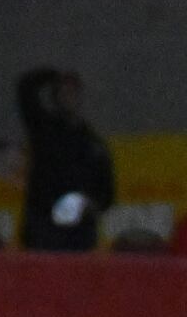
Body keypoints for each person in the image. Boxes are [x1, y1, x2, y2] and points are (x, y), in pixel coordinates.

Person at [15, 66, 115, 253]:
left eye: (73, 91)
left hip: (79, 234)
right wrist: (52, 74)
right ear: (56, 97)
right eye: (64, 91)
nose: (69, 96)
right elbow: (25, 88)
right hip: (43, 230)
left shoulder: (92, 143)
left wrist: (91, 204)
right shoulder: (44, 130)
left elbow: (107, 194)